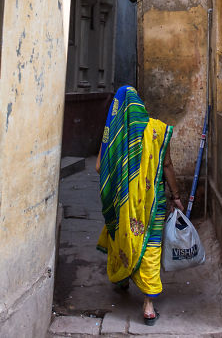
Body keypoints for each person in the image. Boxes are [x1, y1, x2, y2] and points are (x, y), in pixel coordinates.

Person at [95, 85, 184, 326]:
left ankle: (123, 278)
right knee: (150, 246)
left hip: (122, 204)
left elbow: (98, 168)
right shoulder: (157, 129)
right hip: (152, 203)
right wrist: (176, 196)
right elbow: (166, 165)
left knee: (123, 236)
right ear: (140, 106)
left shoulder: (115, 135)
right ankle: (148, 306)